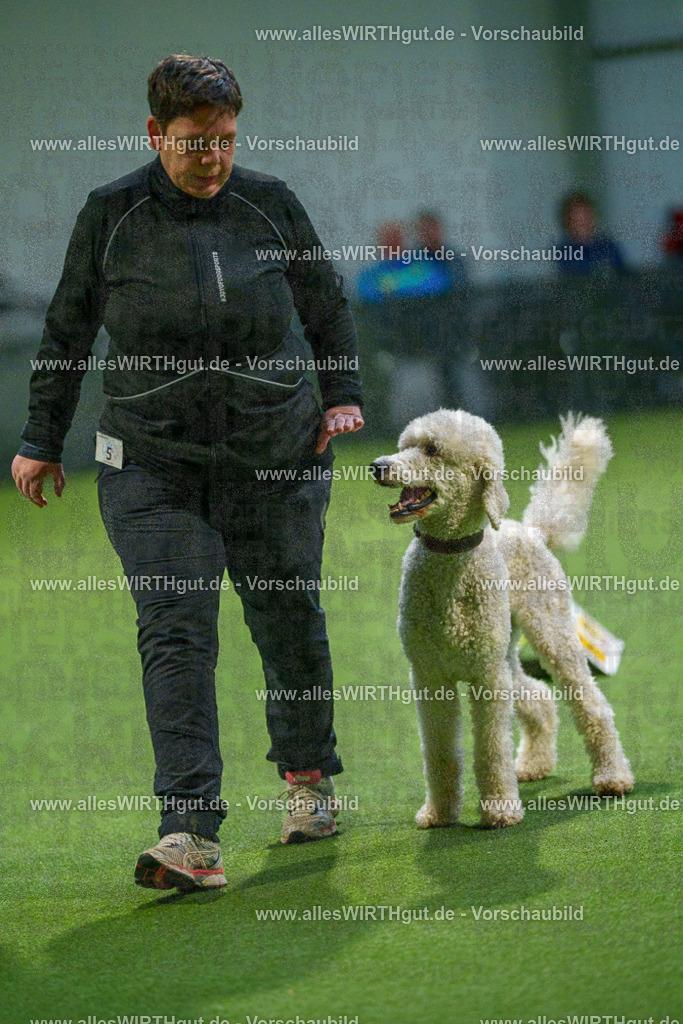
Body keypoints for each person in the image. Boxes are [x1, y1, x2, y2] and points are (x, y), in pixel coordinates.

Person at [12, 54, 364, 892]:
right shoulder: (111, 216)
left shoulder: (269, 202)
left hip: (275, 454)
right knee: (175, 631)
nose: (212, 159)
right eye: (194, 143)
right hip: (151, 464)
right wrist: (39, 437)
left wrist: (342, 394)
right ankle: (189, 832)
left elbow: (324, 303)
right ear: (154, 133)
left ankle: (309, 783)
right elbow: (66, 335)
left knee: (286, 618)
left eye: (225, 141)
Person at [555, 191, 626, 276]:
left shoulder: (608, 246)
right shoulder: (564, 252)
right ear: (568, 221)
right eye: (577, 219)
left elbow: (623, 275)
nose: (583, 222)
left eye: (585, 216)